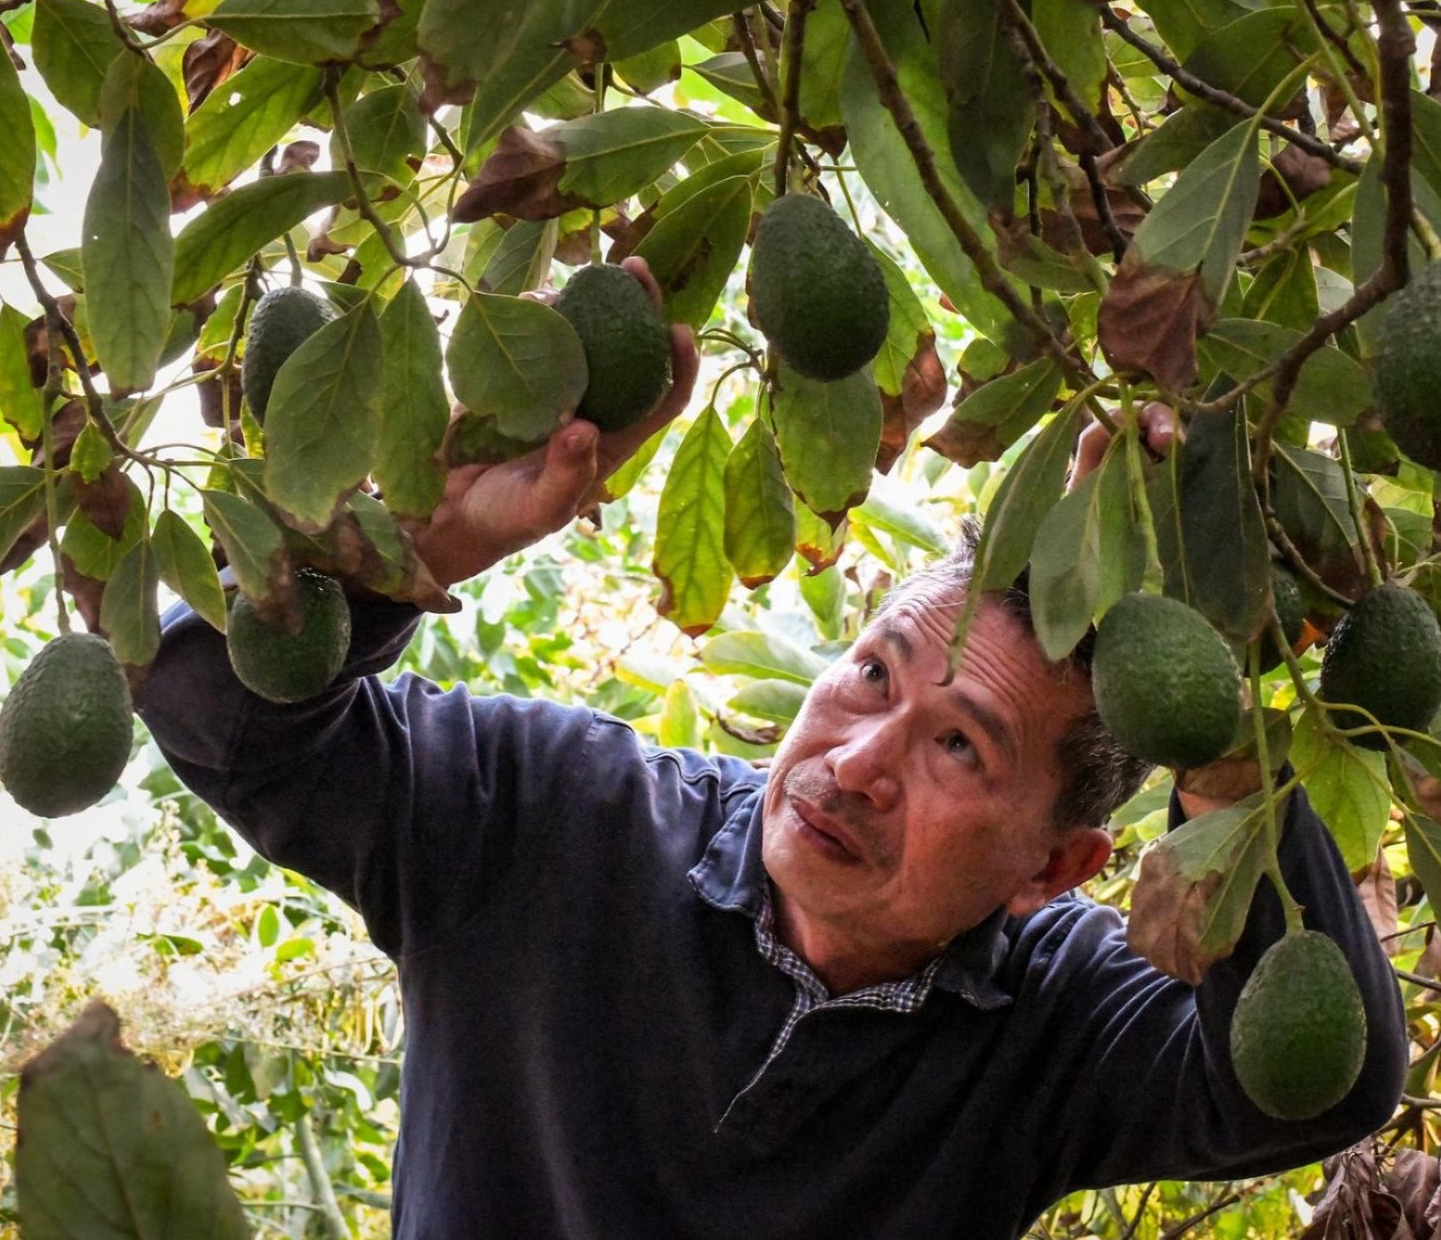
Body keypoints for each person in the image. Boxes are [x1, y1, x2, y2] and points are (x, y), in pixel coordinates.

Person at [136, 261, 1407, 1239]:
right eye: (870, 675)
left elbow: (1308, 1083)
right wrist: (411, 546)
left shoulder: (1052, 1020)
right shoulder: (554, 816)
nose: (857, 760)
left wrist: (1226, 748)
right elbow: (213, 711)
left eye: (959, 748)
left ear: (1053, 866)